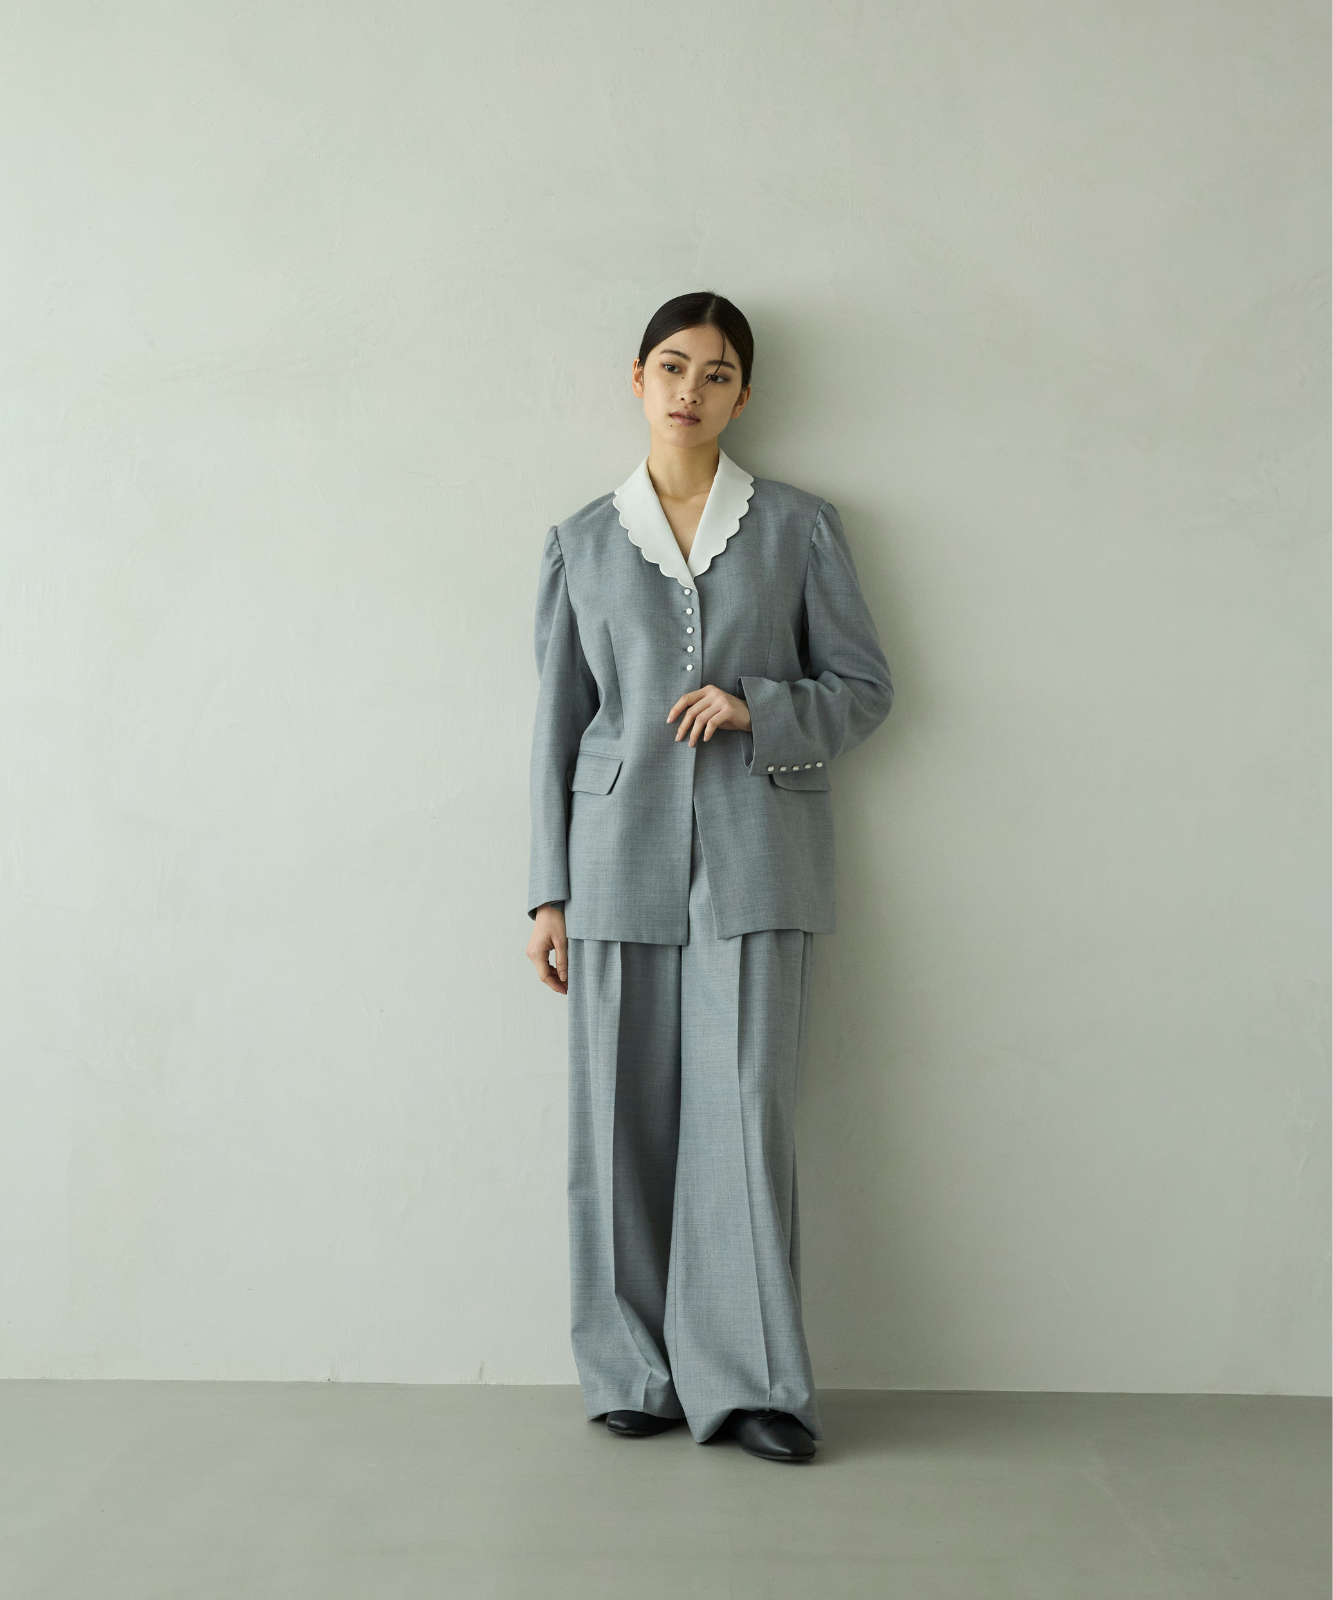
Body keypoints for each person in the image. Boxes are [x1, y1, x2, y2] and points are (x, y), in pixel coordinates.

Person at [524, 290, 893, 1464]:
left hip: (756, 855)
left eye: (717, 373)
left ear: (743, 395)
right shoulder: (581, 542)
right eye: (673, 367)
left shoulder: (799, 528)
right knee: (616, 1118)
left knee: (743, 1113)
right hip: (612, 856)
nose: (691, 390)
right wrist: (545, 893)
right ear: (637, 379)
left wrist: (756, 706)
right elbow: (555, 727)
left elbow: (864, 689)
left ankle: (752, 1385)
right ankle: (630, 1370)